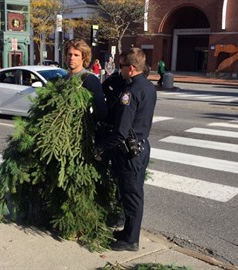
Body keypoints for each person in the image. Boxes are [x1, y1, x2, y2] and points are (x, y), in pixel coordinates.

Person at [95, 47, 156, 252]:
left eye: (121, 66)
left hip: (129, 152)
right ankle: (128, 233)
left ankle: (131, 241)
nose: (118, 70)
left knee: (131, 195)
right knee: (133, 193)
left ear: (130, 68)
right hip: (142, 147)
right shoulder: (148, 87)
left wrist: (100, 148)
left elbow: (120, 132)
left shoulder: (129, 94)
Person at [64, 39, 107, 122]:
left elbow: (101, 110)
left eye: (76, 55)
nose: (72, 58)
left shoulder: (90, 79)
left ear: (83, 58)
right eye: (70, 54)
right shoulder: (64, 78)